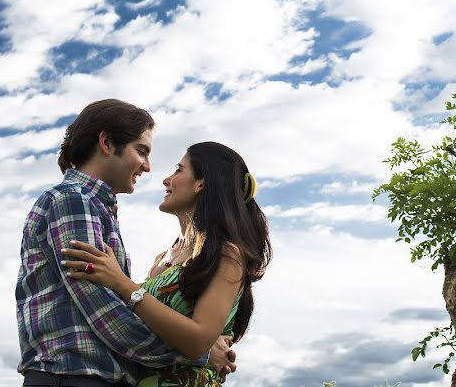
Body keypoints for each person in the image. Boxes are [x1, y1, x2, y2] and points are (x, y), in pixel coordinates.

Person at [16, 99, 237, 387]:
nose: (147, 167)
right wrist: (200, 353)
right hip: (74, 377)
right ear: (107, 143)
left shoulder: (93, 206)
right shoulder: (73, 200)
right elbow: (105, 314)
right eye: (141, 151)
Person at [61, 141, 272, 387]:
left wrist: (121, 283)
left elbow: (197, 341)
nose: (166, 179)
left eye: (178, 170)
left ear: (201, 184)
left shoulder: (226, 255)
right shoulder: (162, 259)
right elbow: (137, 329)